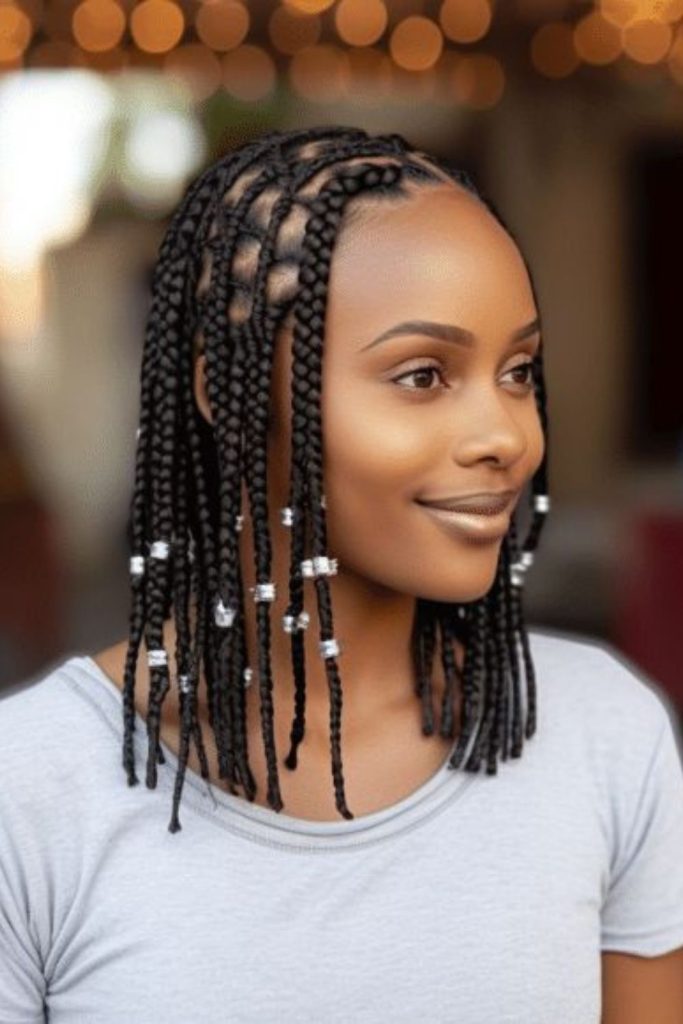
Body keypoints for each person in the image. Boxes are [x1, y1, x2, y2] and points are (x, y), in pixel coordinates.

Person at [1, 124, 682, 1023]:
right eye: (421, 375)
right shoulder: (34, 787)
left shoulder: (602, 737)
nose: (507, 437)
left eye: (517, 371)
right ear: (229, 392)